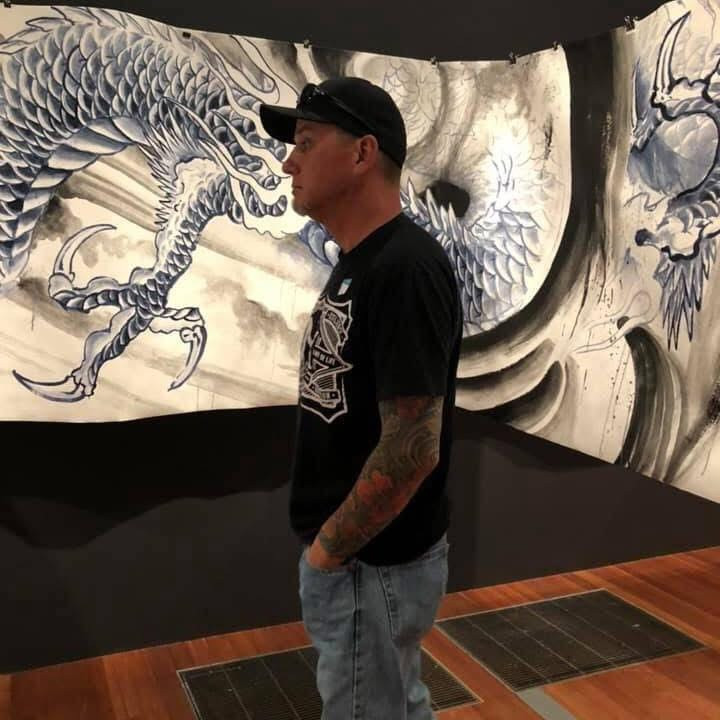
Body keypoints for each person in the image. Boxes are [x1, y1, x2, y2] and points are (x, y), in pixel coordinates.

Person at [259, 76, 463, 720]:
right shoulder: (365, 262)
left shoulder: (404, 269)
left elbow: (412, 447)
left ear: (362, 153)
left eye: (306, 142)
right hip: (365, 565)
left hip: (369, 566)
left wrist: (328, 553)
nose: (288, 162)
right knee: (397, 702)